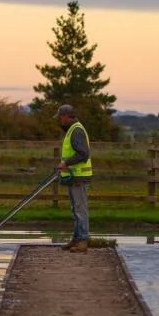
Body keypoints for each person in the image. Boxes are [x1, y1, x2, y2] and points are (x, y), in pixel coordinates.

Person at [54, 104, 92, 253]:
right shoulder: (72, 129)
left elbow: (83, 154)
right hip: (73, 176)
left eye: (60, 116)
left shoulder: (76, 131)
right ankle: (76, 239)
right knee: (75, 209)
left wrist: (66, 163)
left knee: (80, 209)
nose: (59, 119)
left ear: (66, 116)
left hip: (79, 176)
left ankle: (82, 241)